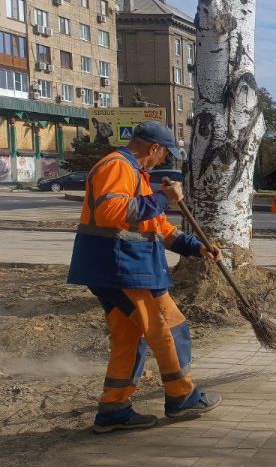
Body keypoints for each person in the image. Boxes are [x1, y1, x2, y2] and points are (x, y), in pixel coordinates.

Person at [67, 121, 222, 433]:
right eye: (163, 154)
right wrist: (166, 198)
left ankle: (113, 409)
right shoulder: (117, 166)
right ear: (153, 148)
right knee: (167, 327)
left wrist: (198, 247)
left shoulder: (135, 173)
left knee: (129, 337)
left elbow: (157, 227)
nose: (162, 160)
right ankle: (181, 397)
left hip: (121, 269)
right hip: (122, 269)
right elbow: (115, 213)